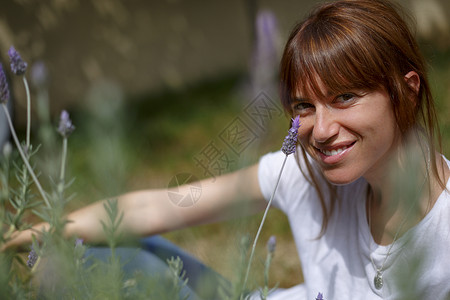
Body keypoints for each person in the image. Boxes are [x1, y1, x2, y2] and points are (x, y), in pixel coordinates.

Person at [4, 0, 450, 298]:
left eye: (345, 98)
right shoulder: (303, 173)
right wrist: (32, 234)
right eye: (304, 106)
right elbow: (163, 206)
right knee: (79, 258)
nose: (321, 129)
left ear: (405, 91)